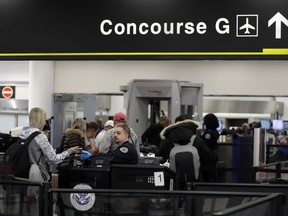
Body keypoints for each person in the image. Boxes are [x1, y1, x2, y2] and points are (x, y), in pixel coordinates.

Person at [20, 107, 81, 182]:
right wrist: (70, 151)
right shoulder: (39, 136)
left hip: (22, 175)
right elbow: (54, 159)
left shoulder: (22, 134)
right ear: (40, 120)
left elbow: (30, 155)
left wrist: (45, 161)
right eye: (44, 119)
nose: (45, 122)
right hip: (36, 177)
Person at [157, 114, 213, 182]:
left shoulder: (168, 141)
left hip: (174, 184)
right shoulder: (197, 140)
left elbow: (158, 161)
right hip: (196, 184)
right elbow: (208, 160)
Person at [201, 113, 220, 181]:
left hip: (208, 156)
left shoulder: (208, 133)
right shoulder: (215, 132)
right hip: (214, 154)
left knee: (208, 176)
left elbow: (206, 144)